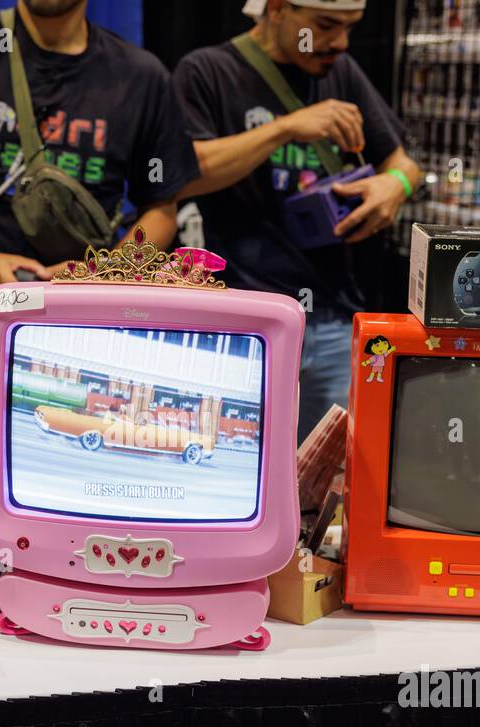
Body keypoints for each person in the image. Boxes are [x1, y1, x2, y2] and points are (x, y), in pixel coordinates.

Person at [0, 0, 199, 519]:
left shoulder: (141, 77)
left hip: (85, 365)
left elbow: (162, 209)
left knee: (74, 518)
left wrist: (102, 278)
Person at [173, 0, 422, 438]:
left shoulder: (340, 72)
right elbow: (182, 174)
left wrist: (394, 185)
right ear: (277, 9)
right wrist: (284, 128)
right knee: (239, 459)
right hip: (242, 320)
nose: (340, 43)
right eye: (326, 25)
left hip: (332, 317)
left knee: (328, 478)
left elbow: (404, 162)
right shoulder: (207, 71)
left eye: (349, 28)